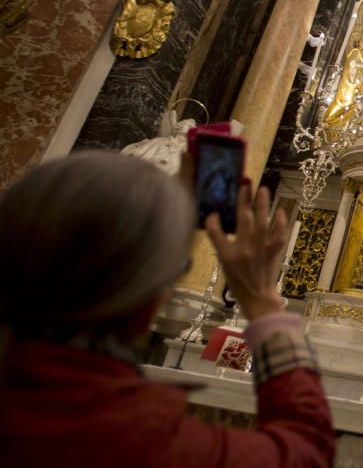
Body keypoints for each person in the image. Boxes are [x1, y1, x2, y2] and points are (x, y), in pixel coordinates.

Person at [0, 151, 336, 467]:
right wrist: (265, 306)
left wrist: (162, 219)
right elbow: (304, 451)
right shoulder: (140, 443)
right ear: (144, 311)